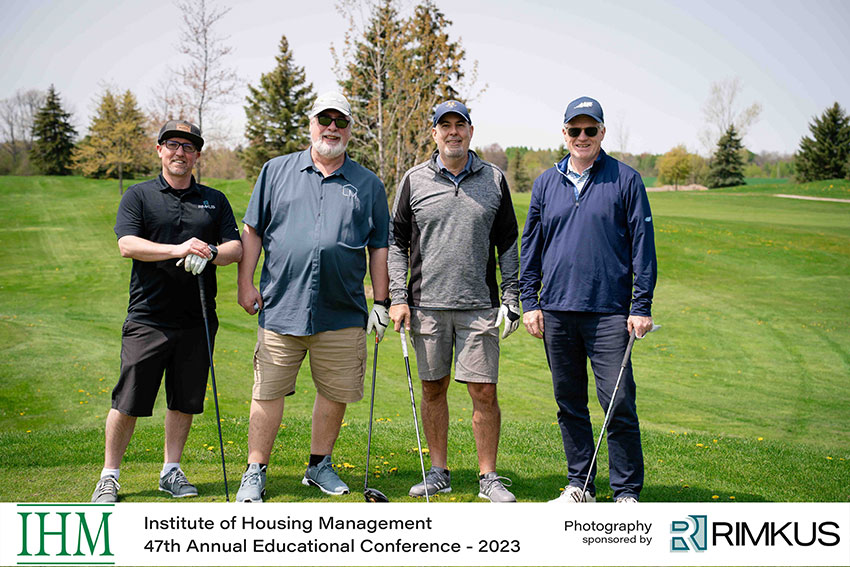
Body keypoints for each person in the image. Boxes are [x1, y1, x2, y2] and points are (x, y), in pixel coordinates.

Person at [234, 92, 390, 502]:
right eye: (325, 119)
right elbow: (252, 230)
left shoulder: (369, 184)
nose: (332, 128)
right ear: (311, 124)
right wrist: (245, 283)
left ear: (350, 129)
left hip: (342, 311)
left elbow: (379, 247)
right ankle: (255, 470)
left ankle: (319, 466)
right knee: (267, 390)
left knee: (335, 391)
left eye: (341, 121)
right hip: (281, 305)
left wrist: (381, 302)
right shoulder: (276, 170)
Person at [91, 120, 243, 503]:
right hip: (148, 317)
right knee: (128, 400)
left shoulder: (214, 199)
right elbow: (127, 244)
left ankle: (171, 471)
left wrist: (209, 251)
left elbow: (235, 248)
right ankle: (109, 476)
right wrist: (180, 249)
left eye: (188, 147)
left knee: (184, 400)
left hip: (198, 319)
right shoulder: (139, 196)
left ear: (197, 156)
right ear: (159, 150)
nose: (180, 152)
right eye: (173, 145)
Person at [519, 96, 657, 503]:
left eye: (590, 129)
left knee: (618, 402)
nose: (583, 137)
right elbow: (531, 247)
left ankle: (626, 491)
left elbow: (643, 247)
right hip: (557, 311)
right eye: (575, 130)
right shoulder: (546, 183)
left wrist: (641, 306)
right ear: (564, 134)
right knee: (570, 404)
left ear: (602, 132)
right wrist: (530, 302)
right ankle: (580, 485)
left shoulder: (626, 179)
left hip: (609, 313)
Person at [388, 100, 520, 503]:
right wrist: (398, 297)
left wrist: (512, 296)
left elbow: (508, 243)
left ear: (470, 131)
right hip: (426, 305)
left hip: (479, 305)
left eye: (459, 125)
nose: (453, 132)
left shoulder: (493, 179)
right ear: (434, 133)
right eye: (444, 126)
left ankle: (488, 478)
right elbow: (396, 242)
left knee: (484, 392)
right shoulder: (414, 180)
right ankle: (439, 472)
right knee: (433, 389)